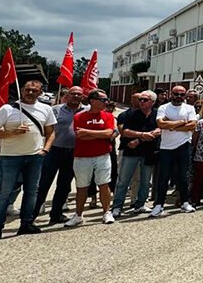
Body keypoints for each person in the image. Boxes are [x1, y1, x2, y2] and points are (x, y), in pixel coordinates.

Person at [0, 79, 56, 241]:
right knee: (4, 193)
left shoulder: (45, 109)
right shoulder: (7, 109)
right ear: (22, 90)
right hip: (10, 157)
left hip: (35, 156)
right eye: (27, 90)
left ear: (40, 93)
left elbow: (51, 132)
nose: (30, 93)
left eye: (34, 90)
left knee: (32, 192)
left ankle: (26, 223)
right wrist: (12, 133)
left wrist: (46, 149)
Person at [65, 89, 117, 226]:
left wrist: (89, 132)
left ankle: (106, 212)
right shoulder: (79, 117)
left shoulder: (108, 116)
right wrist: (100, 133)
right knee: (82, 186)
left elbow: (108, 133)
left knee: (104, 184)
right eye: (103, 100)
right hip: (82, 157)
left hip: (103, 155)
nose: (106, 102)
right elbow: (80, 135)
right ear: (93, 101)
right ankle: (78, 215)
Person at [35, 85, 84, 224]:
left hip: (74, 153)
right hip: (54, 150)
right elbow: (46, 128)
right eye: (72, 93)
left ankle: (56, 214)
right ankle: (32, 215)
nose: (75, 96)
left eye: (78, 94)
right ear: (67, 95)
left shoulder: (86, 111)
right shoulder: (55, 110)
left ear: (82, 96)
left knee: (64, 185)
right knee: (44, 183)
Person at [150, 85, 197, 217]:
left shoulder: (190, 108)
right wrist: (182, 122)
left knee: (183, 176)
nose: (178, 97)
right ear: (171, 94)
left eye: (182, 95)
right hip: (166, 147)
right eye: (176, 94)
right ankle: (159, 205)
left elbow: (192, 126)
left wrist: (171, 125)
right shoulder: (163, 108)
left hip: (184, 146)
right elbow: (160, 124)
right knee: (163, 177)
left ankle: (184, 202)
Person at [112, 91, 160, 217]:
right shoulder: (131, 114)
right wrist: (142, 135)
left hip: (148, 152)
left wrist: (139, 140)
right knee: (123, 181)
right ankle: (117, 207)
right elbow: (125, 131)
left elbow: (159, 130)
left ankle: (140, 205)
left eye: (145, 100)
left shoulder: (157, 114)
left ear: (153, 102)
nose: (141, 102)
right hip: (131, 152)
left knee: (145, 181)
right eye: (140, 100)